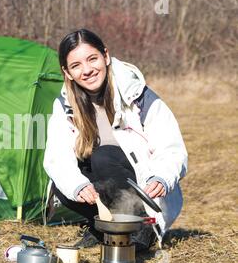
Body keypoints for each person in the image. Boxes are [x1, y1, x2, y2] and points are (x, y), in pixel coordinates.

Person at [43, 29, 188, 250]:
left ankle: (142, 228)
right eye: (76, 65)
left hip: (142, 185)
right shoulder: (64, 105)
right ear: (68, 72)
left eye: (92, 59)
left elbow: (171, 147)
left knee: (103, 155)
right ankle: (101, 225)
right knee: (64, 183)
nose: (87, 70)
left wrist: (161, 177)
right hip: (106, 180)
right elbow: (56, 156)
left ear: (106, 56)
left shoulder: (137, 94)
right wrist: (78, 186)